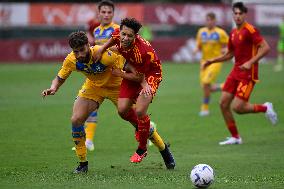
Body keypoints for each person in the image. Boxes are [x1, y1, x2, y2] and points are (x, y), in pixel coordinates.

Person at [41, 31, 175, 173]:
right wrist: (53, 88)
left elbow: (132, 69)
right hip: (93, 87)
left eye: (82, 50)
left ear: (88, 45)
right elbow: (59, 77)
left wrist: (143, 83)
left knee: (138, 121)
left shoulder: (104, 55)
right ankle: (82, 164)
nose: (79, 54)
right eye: (76, 51)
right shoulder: (71, 60)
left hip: (117, 87)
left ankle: (163, 149)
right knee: (76, 119)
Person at [93, 17, 175, 165]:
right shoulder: (118, 33)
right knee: (122, 110)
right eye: (123, 34)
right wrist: (102, 50)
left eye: (129, 36)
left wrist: (120, 74)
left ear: (136, 36)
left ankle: (142, 148)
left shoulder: (142, 52)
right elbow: (113, 41)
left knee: (140, 111)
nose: (125, 38)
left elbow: (139, 78)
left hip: (150, 74)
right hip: (133, 71)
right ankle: (142, 128)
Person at [203, 2, 278, 145]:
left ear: (245, 15)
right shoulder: (233, 33)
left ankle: (266, 107)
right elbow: (230, 54)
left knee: (238, 107)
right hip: (236, 71)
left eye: (240, 13)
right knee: (223, 104)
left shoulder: (251, 30)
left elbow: (265, 48)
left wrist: (251, 62)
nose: (237, 16)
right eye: (235, 13)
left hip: (249, 73)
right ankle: (236, 137)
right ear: (233, 15)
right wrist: (212, 61)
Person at [193, 12, 229, 116]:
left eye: (210, 20)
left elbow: (230, 45)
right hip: (204, 62)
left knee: (206, 82)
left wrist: (225, 50)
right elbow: (199, 45)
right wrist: (195, 50)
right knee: (206, 87)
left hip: (215, 61)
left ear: (214, 21)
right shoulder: (201, 32)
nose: (208, 22)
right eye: (207, 20)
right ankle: (226, 86)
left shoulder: (220, 32)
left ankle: (205, 108)